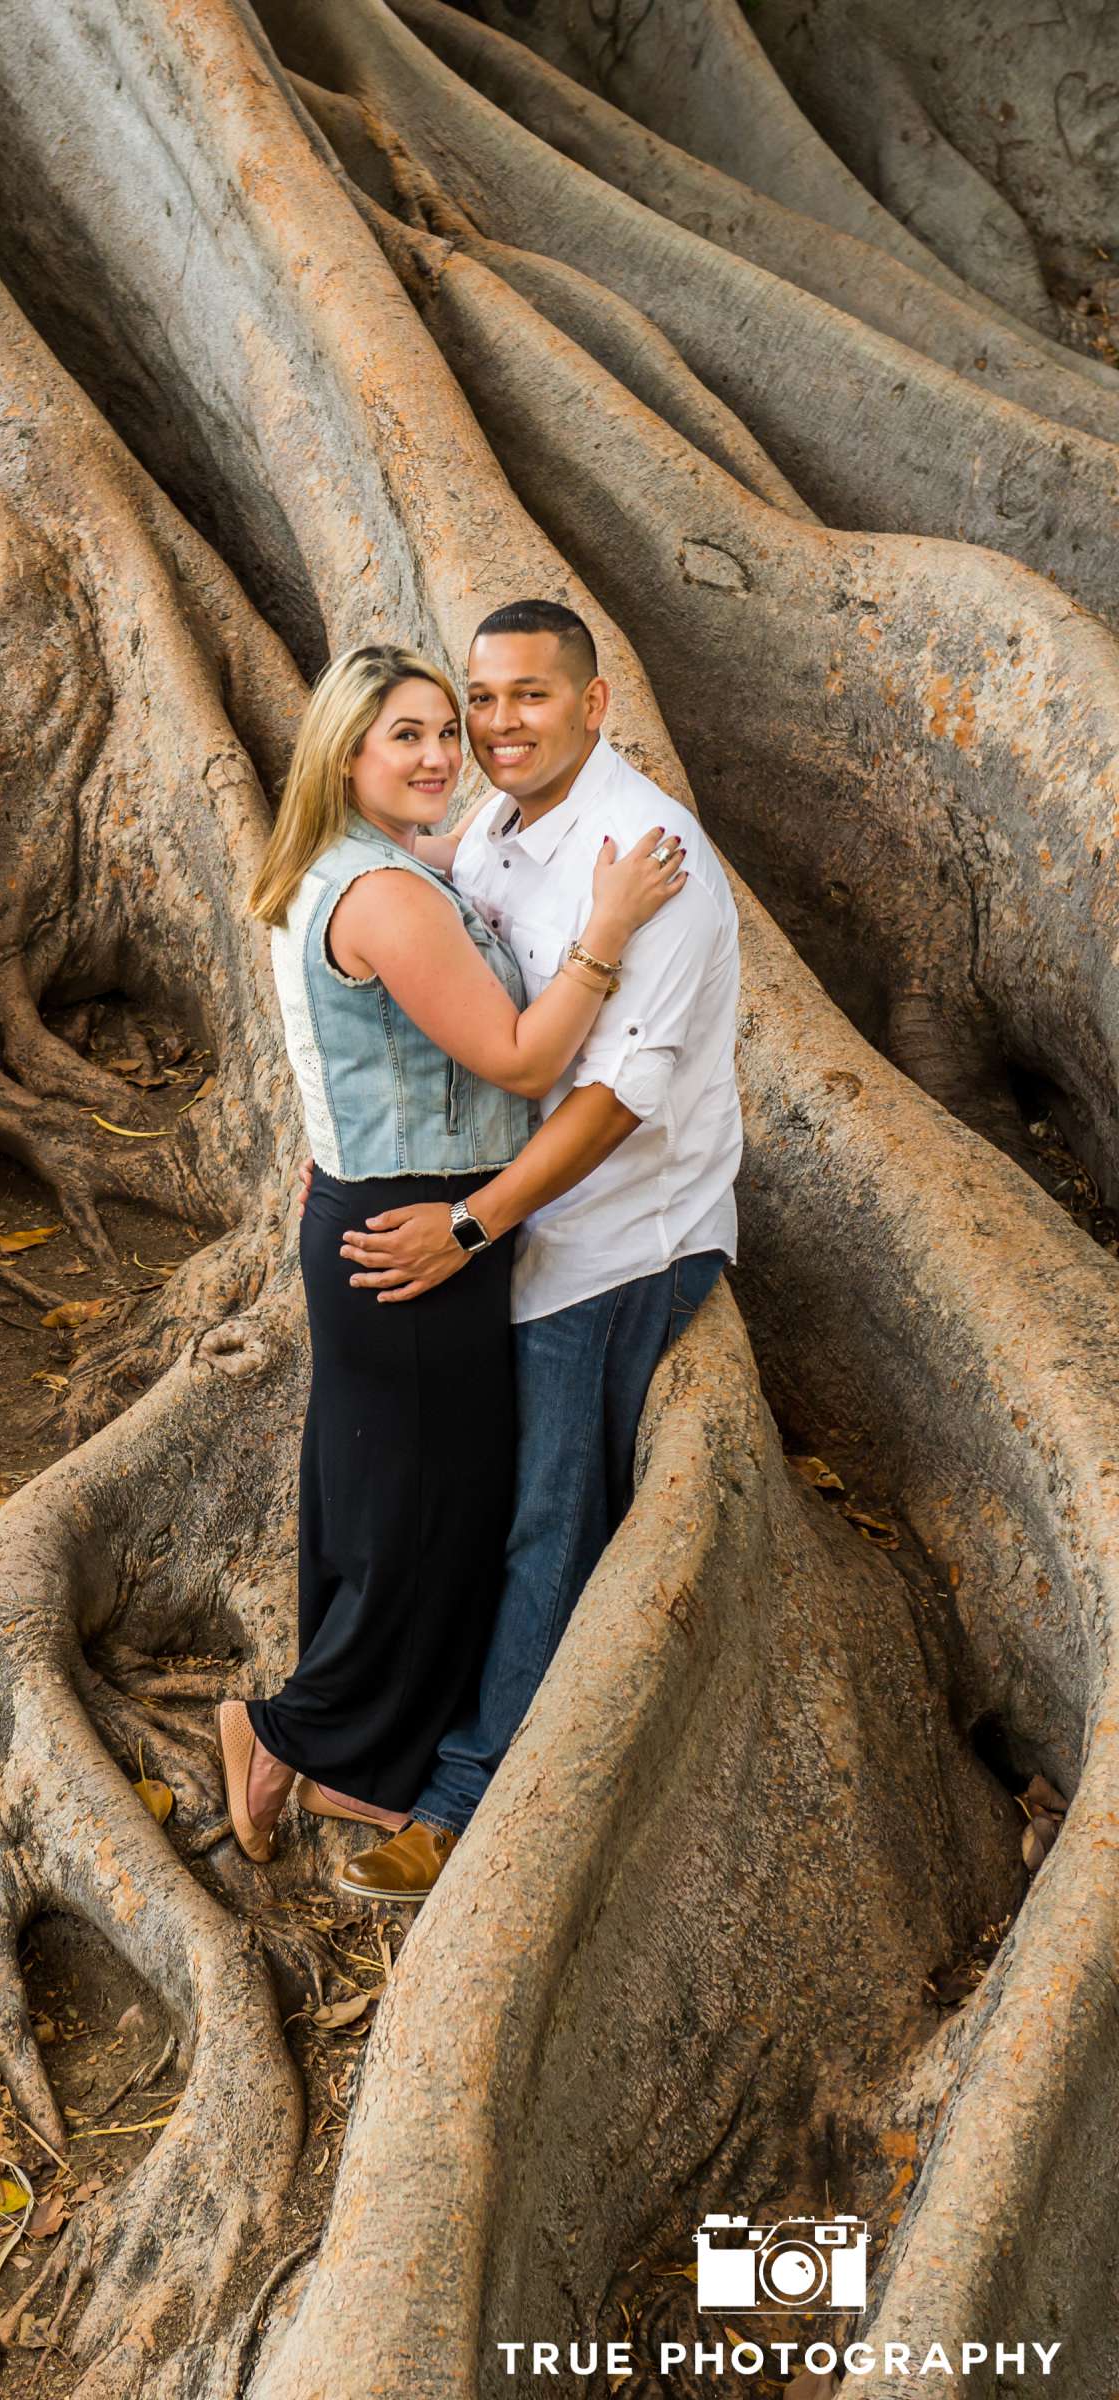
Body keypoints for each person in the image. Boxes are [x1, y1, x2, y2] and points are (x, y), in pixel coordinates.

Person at [217, 640, 685, 1864]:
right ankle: (289, 1734)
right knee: (428, 1515)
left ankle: (334, 1752)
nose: (439, 755)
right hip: (420, 1239)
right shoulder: (383, 896)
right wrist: (607, 928)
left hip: (379, 1216)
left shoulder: (354, 866)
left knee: (380, 1503)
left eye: (443, 729)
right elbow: (526, 1060)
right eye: (406, 737)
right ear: (347, 754)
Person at [335, 599, 742, 1903]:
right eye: (484, 699)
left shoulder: (654, 860)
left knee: (549, 1516)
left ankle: (465, 1803)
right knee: (445, 1488)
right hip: (503, 1228)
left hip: (613, 1242)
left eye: (530, 698)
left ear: (594, 702)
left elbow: (614, 1100)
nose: (501, 725)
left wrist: (468, 1224)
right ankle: (389, 1732)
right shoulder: (498, 834)